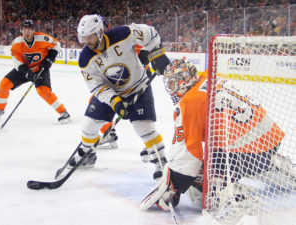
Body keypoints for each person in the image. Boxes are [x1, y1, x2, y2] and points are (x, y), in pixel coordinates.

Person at [140, 58, 287, 211]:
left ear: (182, 82)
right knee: (216, 150)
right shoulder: (209, 77)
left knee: (198, 183)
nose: (170, 89)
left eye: (171, 84)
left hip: (251, 152)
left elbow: (189, 157)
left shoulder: (189, 104)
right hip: (270, 137)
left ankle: (232, 198)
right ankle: (274, 164)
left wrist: (173, 186)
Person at [69, 14, 170, 180]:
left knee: (144, 127)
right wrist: (115, 101)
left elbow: (150, 33)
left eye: (90, 36)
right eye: (84, 37)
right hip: (111, 91)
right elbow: (97, 86)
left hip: (138, 86)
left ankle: (161, 162)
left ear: (100, 32)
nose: (87, 41)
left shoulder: (122, 34)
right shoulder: (85, 58)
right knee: (89, 125)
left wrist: (156, 54)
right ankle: (87, 154)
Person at [0, 19, 70, 123]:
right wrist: (27, 73)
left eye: (29, 29)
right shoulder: (16, 44)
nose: (27, 32)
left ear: (33, 30)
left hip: (41, 68)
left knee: (43, 91)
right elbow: (17, 63)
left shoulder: (42, 38)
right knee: (4, 84)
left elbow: (57, 44)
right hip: (24, 69)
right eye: (25, 29)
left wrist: (49, 59)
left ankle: (63, 112)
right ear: (21, 30)